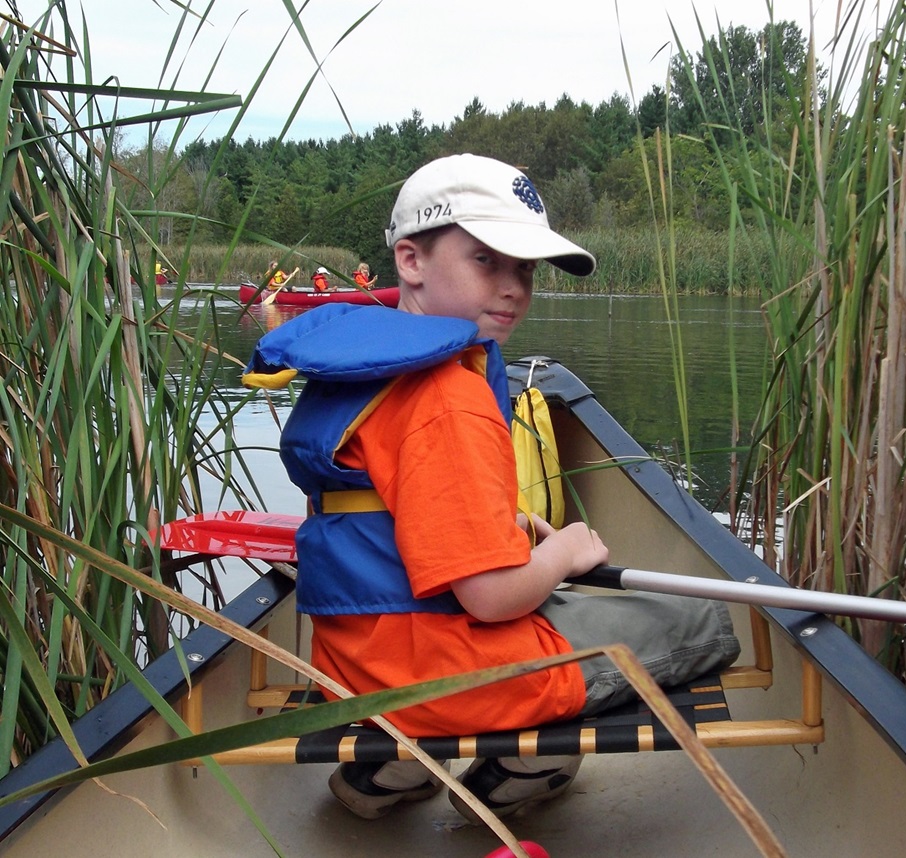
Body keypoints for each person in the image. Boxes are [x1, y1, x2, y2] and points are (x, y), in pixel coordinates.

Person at [242, 153, 739, 824]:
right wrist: (562, 550)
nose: (513, 289)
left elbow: (387, 520)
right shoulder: (451, 396)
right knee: (698, 625)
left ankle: (381, 774)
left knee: (554, 598)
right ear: (412, 261)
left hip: (354, 665)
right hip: (443, 680)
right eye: (487, 261)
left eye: (525, 270)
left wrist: (513, 526)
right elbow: (492, 598)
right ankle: (519, 770)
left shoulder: (359, 377)